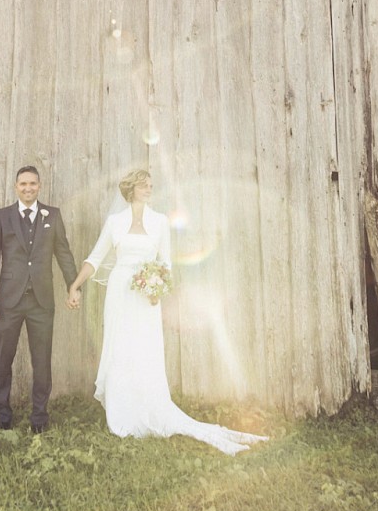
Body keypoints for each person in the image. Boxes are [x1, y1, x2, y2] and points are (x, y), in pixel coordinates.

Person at [67, 168, 267, 456]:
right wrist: (75, 286)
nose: (149, 190)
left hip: (147, 298)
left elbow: (167, 264)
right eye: (143, 186)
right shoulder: (115, 222)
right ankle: (124, 411)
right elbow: (95, 258)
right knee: (122, 348)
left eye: (151, 186)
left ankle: (150, 405)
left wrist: (156, 288)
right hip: (120, 294)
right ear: (131, 190)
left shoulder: (159, 222)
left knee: (145, 350)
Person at [0, 164, 80, 432]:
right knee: (3, 360)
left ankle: (39, 418)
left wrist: (74, 287)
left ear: (39, 186)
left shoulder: (53, 215)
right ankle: (2, 417)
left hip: (41, 301)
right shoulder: (2, 217)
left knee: (42, 361)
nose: (28, 188)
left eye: (33, 184)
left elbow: (64, 254)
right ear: (16, 187)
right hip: (8, 302)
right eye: (23, 184)